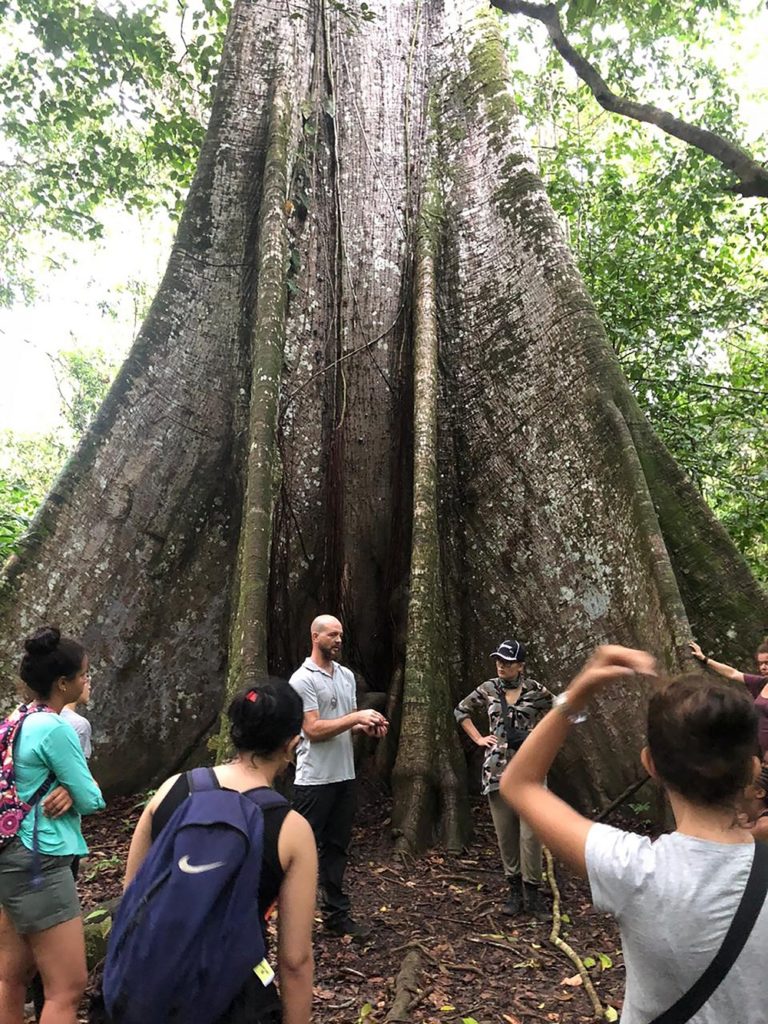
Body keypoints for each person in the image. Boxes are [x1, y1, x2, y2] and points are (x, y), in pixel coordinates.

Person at [500, 645, 768, 1023]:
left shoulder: (634, 870)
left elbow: (518, 783)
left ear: (650, 764)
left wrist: (575, 696)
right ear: (754, 767)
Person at [122, 679, 317, 1024]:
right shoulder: (292, 830)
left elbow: (132, 895)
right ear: (293, 744)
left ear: (235, 731)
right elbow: (295, 960)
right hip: (233, 997)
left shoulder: (171, 789)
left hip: (151, 988)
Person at [0, 625, 105, 1024]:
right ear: (63, 683)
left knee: (11, 978)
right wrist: (76, 786)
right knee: (66, 988)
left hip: (10, 853)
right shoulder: (57, 727)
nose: (86, 680)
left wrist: (65, 786)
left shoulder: (16, 719)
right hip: (39, 861)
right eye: (83, 674)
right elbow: (92, 798)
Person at [289, 614, 387, 938]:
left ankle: (336, 914)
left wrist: (365, 727)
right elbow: (313, 729)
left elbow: (343, 722)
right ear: (315, 637)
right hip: (313, 781)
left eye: (341, 635)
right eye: (332, 635)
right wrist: (356, 716)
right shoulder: (303, 679)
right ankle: (289, 913)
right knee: (300, 848)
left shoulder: (345, 676)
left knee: (337, 848)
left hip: (344, 777)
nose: (339, 640)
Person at [454, 639, 552, 917]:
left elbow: (562, 713)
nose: (501, 665)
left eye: (508, 662)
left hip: (530, 771)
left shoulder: (536, 690)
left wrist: (539, 738)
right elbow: (460, 711)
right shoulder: (488, 688)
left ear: (520, 665)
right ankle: (514, 893)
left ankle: (533, 894)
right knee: (506, 834)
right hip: (496, 770)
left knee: (531, 835)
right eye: (499, 660)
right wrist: (479, 738)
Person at [689, 637, 768, 755]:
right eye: (760, 663)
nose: (763, 667)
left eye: (767, 663)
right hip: (759, 754)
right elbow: (733, 673)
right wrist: (705, 659)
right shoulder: (761, 683)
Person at [59, 673, 92, 759]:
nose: (88, 681)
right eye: (84, 675)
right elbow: (77, 770)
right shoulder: (79, 725)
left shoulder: (35, 714)